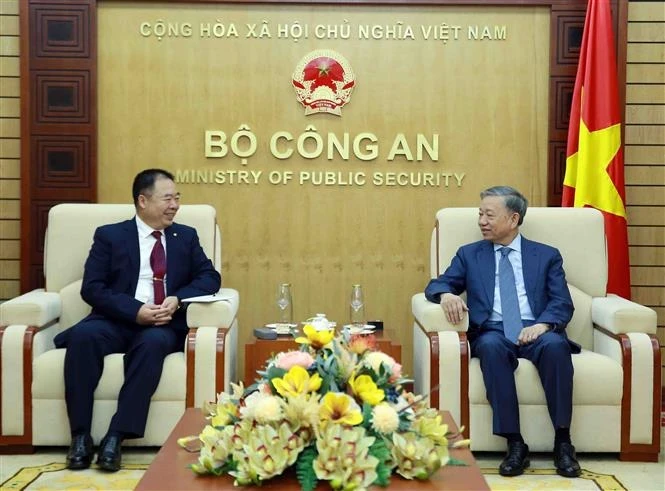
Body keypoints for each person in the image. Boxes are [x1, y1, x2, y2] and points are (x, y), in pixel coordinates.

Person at [54, 168, 221, 472]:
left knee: (154, 344)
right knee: (83, 337)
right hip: (117, 320)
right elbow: (92, 288)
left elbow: (210, 277)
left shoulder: (185, 236)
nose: (175, 205)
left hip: (162, 323)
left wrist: (178, 299)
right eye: (167, 198)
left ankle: (116, 437)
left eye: (177, 198)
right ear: (143, 201)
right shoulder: (110, 236)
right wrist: (134, 310)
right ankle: (79, 436)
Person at [424, 185, 581, 478]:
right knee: (492, 348)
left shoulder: (546, 256)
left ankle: (563, 442)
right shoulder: (470, 255)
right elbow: (437, 284)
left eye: (489, 215)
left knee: (556, 347)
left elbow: (562, 302)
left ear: (513, 218)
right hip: (493, 329)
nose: (482, 220)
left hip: (537, 328)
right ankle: (515, 443)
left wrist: (541, 325)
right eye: (480, 214)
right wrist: (446, 295)